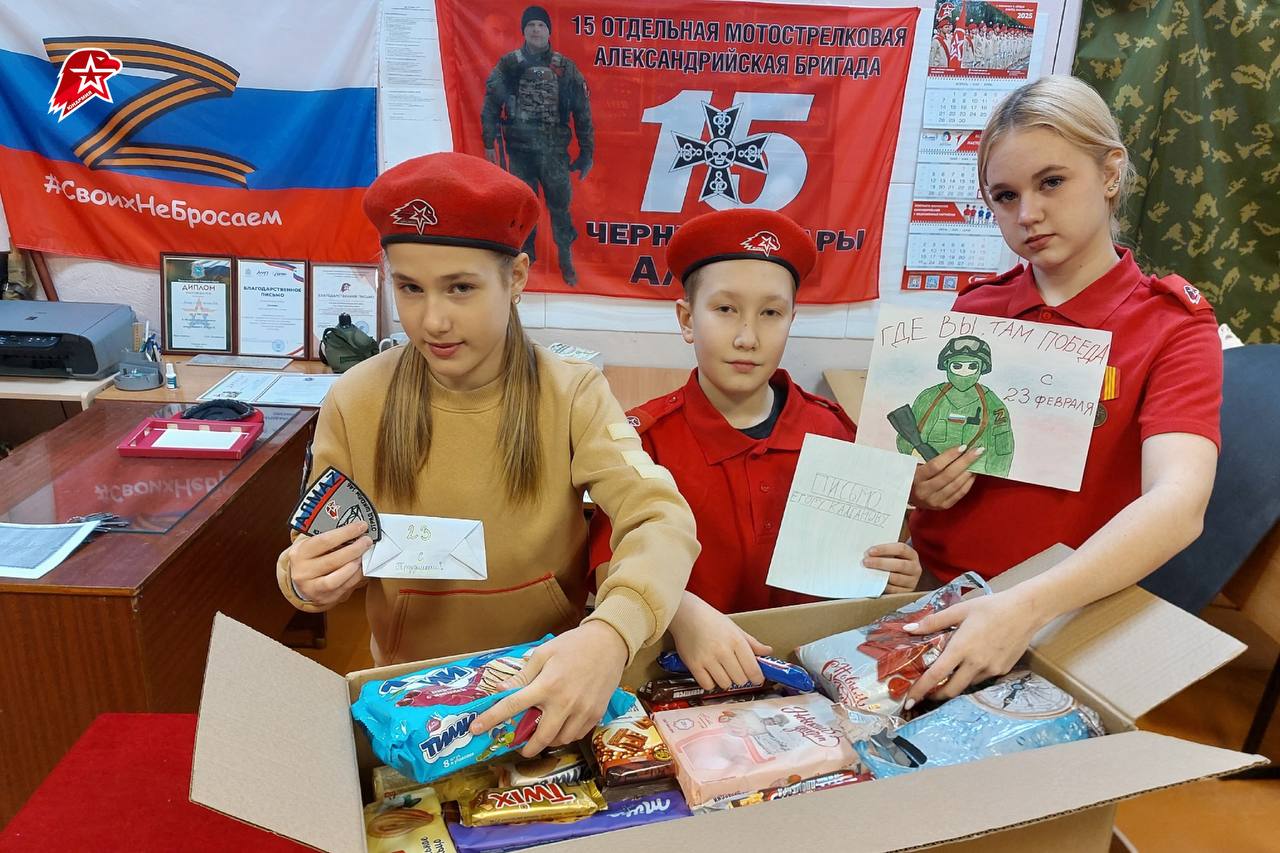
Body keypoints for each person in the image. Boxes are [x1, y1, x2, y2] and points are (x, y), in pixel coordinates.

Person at [277, 152, 698, 756]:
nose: (434, 320)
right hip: (409, 697)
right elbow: (313, 542)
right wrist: (301, 580)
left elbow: (659, 516)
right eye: (410, 288)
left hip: (544, 684)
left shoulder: (572, 393)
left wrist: (612, 632)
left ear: (516, 278)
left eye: (461, 288)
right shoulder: (355, 399)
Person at [903, 75, 1222, 708]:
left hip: (1069, 617)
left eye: (1051, 182)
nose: (1027, 214)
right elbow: (922, 457)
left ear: (1110, 173)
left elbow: (1179, 501)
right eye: (1005, 195)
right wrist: (920, 484)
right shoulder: (977, 310)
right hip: (939, 597)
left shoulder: (1171, 327)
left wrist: (1028, 606)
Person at [588, 208, 923, 692]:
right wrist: (681, 611)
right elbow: (608, 566)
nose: (748, 338)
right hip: (681, 677)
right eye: (725, 310)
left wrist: (895, 573)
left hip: (812, 682)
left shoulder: (833, 432)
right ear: (687, 319)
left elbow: (876, 557)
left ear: (791, 319)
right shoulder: (644, 440)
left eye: (770, 313)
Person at [481, 5, 593, 286]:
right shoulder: (510, 64)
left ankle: (566, 260)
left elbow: (582, 111)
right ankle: (525, 261)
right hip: (520, 152)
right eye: (530, 25)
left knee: (560, 208)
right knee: (523, 209)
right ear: (523, 30)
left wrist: (586, 152)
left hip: (554, 153)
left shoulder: (565, 67)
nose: (535, 30)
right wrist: (488, 141)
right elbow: (491, 102)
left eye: (540, 25)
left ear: (548, 31)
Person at [896, 335, 1014, 477]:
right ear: (947, 365)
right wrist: (913, 454)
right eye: (957, 366)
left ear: (982, 367)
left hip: (974, 477)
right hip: (928, 473)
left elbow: (1002, 452)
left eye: (972, 366)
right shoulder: (928, 398)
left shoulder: (993, 404)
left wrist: (990, 481)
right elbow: (905, 434)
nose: (964, 372)